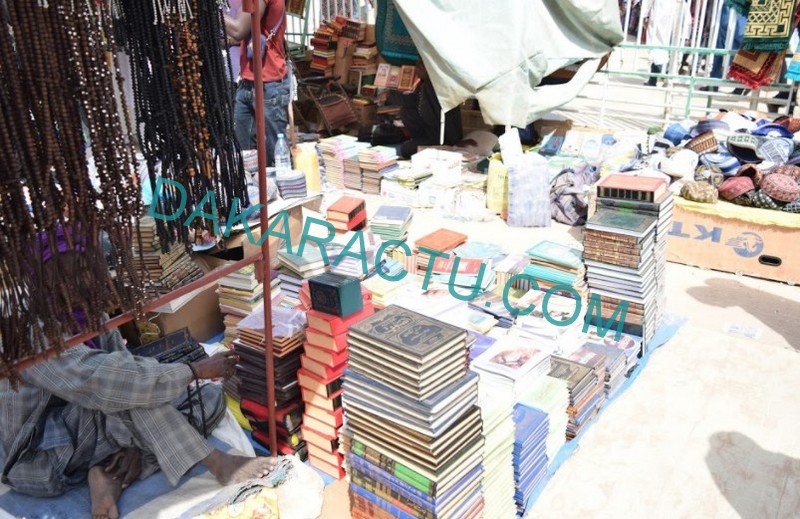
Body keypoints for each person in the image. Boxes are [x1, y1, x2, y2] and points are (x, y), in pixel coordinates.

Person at [0, 232, 277, 519]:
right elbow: (106, 383)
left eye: (88, 270)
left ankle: (112, 472)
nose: (86, 282)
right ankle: (216, 461)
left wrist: (135, 440)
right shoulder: (29, 335)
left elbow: (122, 365)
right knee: (131, 394)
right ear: (46, 281)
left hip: (85, 428)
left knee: (207, 398)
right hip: (40, 458)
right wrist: (192, 370)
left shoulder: (86, 312)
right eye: (72, 274)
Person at [225, 0, 289, 166]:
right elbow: (246, 33)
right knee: (245, 157)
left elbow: (239, 29)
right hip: (248, 82)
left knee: (275, 159)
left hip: (268, 85)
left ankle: (274, 190)